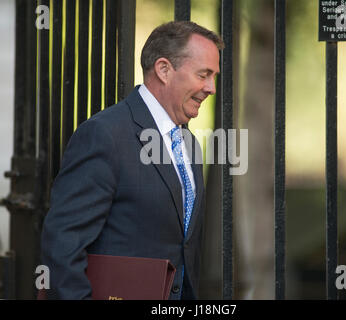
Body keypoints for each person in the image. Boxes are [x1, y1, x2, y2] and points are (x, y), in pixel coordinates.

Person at [40, 21, 224, 300]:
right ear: (163, 69)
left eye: (213, 76)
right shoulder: (104, 134)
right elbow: (63, 245)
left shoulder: (188, 143)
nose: (211, 88)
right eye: (204, 74)